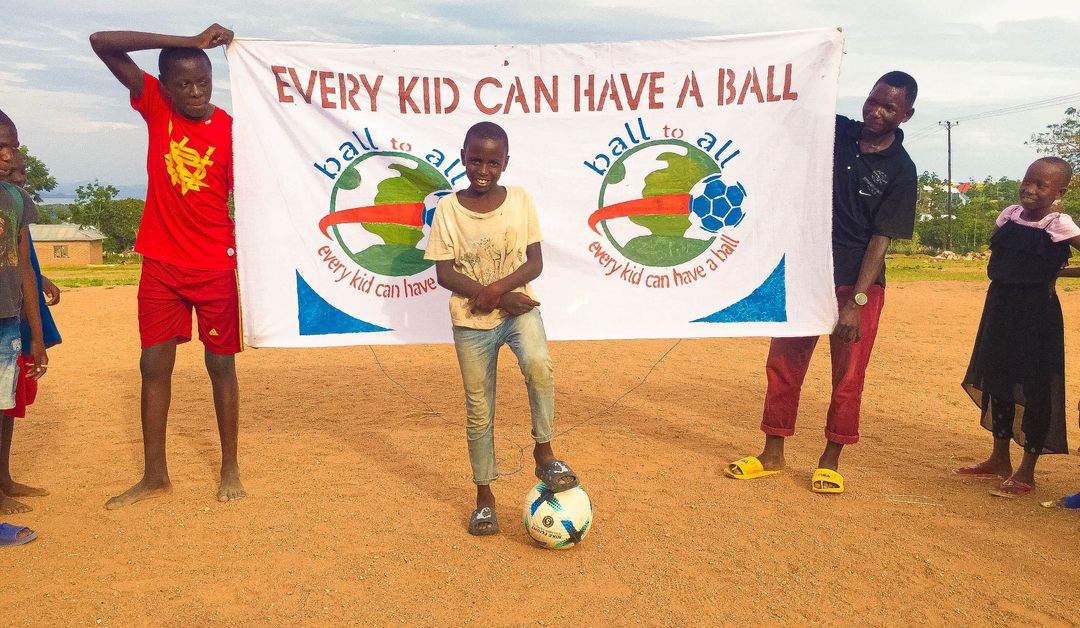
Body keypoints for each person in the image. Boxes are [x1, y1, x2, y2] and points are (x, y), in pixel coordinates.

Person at [724, 72, 919, 494]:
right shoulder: (839, 133)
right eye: (873, 100)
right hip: (806, 274)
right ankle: (772, 453)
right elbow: (795, 108)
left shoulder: (901, 170)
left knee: (848, 375)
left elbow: (881, 239)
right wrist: (816, 61)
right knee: (783, 365)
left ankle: (830, 460)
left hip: (858, 285)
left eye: (889, 107)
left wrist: (857, 301)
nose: (876, 111)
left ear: (906, 115)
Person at [89, 25, 246, 508]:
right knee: (153, 366)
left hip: (214, 266)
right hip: (160, 264)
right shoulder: (156, 106)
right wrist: (190, 41)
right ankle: (155, 475)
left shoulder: (232, 130)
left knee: (221, 366)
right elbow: (101, 42)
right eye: (184, 84)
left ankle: (230, 466)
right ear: (165, 86)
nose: (196, 92)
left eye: (204, 82)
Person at [424, 121, 579, 535]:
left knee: (540, 366)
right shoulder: (448, 210)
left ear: (505, 162)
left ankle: (544, 452)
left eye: (493, 163)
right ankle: (484, 498)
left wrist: (500, 292)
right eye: (475, 160)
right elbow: (444, 273)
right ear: (463, 157)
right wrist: (495, 296)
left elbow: (535, 262)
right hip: (471, 321)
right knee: (479, 409)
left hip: (518, 309)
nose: (483, 170)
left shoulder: (521, 200)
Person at [955, 157, 1079, 499]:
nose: (1030, 189)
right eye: (1027, 181)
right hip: (999, 309)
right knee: (998, 380)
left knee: (1035, 387)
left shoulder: (1059, 224)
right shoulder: (1009, 216)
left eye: (1041, 185)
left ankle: (1027, 470)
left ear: (1059, 192)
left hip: (1036, 315)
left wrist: (1058, 273)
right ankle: (999, 459)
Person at [0, 149, 62, 514]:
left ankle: (3, 479)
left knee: (6, 403)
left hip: (11, 317)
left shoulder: (16, 204)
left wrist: (37, 338)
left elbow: (21, 264)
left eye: (21, 169)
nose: (12, 167)